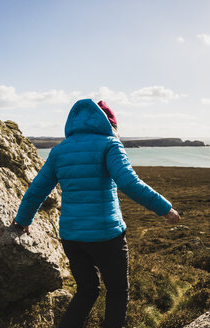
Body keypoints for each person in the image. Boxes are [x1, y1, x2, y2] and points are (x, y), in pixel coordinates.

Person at [14, 99, 181, 328]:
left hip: (71, 237)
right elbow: (129, 182)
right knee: (117, 291)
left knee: (86, 290)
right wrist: (164, 207)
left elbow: (37, 189)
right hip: (106, 235)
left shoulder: (59, 150)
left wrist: (23, 219)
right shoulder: (110, 144)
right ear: (109, 124)